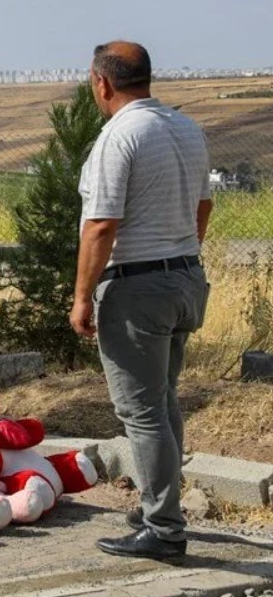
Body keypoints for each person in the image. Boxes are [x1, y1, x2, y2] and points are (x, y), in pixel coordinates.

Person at [70, 41, 211, 562]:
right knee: (164, 400)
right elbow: (203, 206)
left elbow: (102, 225)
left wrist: (82, 296)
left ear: (101, 83)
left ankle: (164, 528)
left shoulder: (119, 135)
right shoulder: (185, 128)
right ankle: (161, 506)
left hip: (137, 287)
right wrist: (182, 254)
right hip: (185, 279)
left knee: (142, 411)